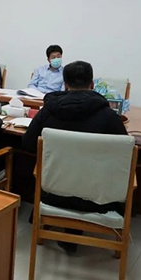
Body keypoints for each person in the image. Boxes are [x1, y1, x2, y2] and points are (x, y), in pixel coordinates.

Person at [22, 61, 128, 252]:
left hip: (52, 195)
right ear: (92, 85)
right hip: (98, 200)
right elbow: (123, 157)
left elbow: (28, 144)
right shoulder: (109, 117)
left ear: (65, 85)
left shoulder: (48, 111)